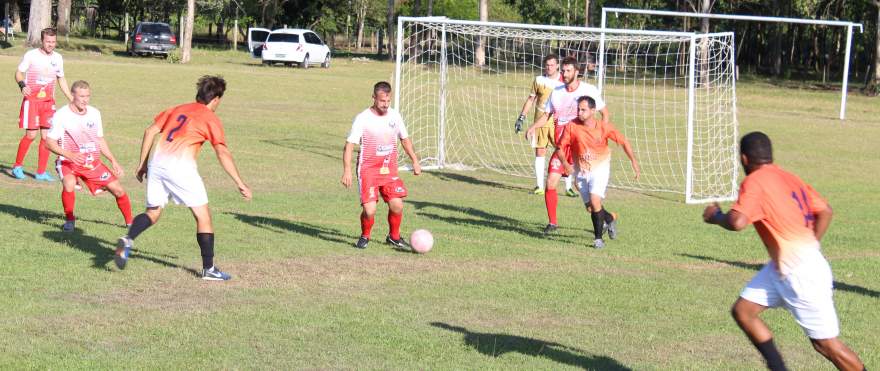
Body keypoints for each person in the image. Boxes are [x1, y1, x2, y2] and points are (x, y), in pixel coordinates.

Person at [703, 132, 865, 371]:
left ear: (744, 159)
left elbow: (737, 222)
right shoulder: (789, 177)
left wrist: (716, 217)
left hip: (800, 273)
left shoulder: (755, 181)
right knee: (744, 311)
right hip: (783, 266)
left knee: (825, 344)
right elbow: (825, 210)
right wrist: (810, 244)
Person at [115, 75, 252, 281]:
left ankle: (128, 239)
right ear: (215, 99)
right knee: (203, 215)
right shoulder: (210, 118)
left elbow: (150, 131)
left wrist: (143, 163)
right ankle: (209, 269)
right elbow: (222, 153)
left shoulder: (177, 109)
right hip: (180, 167)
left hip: (157, 164)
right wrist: (240, 183)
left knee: (153, 212)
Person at [525, 56, 610, 235]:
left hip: (582, 150)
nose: (564, 73)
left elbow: (605, 113)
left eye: (568, 70)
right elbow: (547, 115)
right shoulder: (556, 91)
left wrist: (601, 134)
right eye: (563, 70)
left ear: (577, 72)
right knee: (550, 182)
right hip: (562, 148)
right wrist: (533, 127)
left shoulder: (588, 90)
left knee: (589, 204)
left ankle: (607, 218)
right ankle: (553, 223)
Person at [341, 81, 421, 250]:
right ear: (374, 98)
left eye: (388, 101)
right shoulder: (363, 118)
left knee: (397, 204)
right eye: (382, 101)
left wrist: (414, 160)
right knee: (370, 210)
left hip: (388, 168)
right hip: (368, 169)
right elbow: (349, 145)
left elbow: (404, 139)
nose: (385, 105)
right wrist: (347, 170)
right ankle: (365, 236)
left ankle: (394, 237)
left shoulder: (395, 116)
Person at [44, 80, 132, 232]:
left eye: (88, 96)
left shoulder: (94, 113)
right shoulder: (62, 115)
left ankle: (131, 223)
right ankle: (70, 221)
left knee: (118, 190)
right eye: (81, 96)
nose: (85, 100)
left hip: (92, 163)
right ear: (73, 95)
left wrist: (113, 160)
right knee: (69, 184)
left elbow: (99, 139)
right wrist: (69, 154)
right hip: (68, 163)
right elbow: (49, 142)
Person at [556, 96, 639, 248]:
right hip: (581, 171)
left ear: (593, 111)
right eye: (578, 109)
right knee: (591, 208)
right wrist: (565, 163)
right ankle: (610, 218)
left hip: (600, 169)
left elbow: (624, 141)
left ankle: (598, 239)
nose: (579, 112)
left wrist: (633, 160)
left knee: (595, 202)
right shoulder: (571, 126)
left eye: (583, 110)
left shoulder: (603, 127)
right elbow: (560, 148)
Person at [12, 27, 73, 181]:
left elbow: (61, 78)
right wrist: (22, 85)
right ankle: (17, 166)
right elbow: (18, 73)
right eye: (48, 42)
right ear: (42, 41)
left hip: (48, 103)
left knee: (46, 137)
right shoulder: (31, 55)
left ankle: (41, 172)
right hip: (32, 102)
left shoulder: (58, 58)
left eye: (53, 42)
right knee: (31, 135)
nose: (50, 45)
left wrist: (70, 97)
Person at [515, 54, 575, 196]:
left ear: (557, 66)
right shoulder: (539, 80)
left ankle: (568, 188)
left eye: (552, 65)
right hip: (540, 119)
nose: (549, 67)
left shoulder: (563, 81)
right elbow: (531, 100)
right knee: (540, 151)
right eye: (547, 65)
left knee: (564, 151)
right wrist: (521, 117)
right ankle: (539, 186)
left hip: (558, 121)